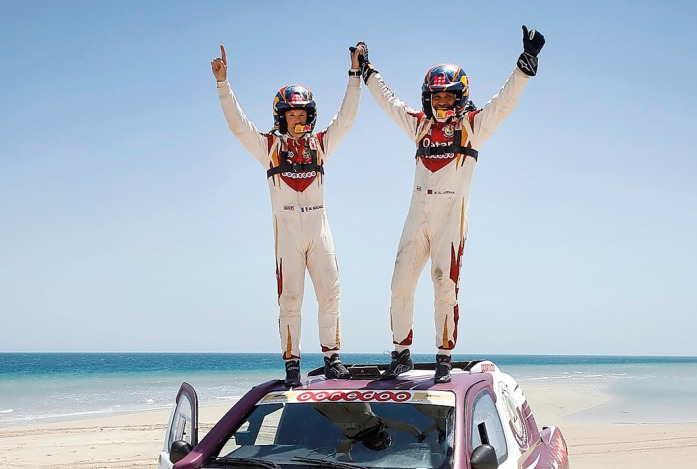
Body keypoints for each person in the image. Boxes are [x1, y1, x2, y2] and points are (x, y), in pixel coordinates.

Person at [356, 28, 545, 382]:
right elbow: (389, 102)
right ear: (428, 99)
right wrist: (367, 69)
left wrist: (525, 64)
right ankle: (401, 354)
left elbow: (503, 103)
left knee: (445, 286)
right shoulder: (419, 126)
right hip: (416, 218)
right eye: (436, 98)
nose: (442, 104)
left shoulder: (472, 127)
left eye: (448, 98)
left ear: (461, 99)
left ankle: (444, 358)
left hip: (450, 220)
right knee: (399, 285)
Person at [212, 45, 365, 387]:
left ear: (311, 115)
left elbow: (347, 118)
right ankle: (292, 364)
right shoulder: (269, 148)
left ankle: (332, 358)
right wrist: (224, 84)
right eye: (291, 114)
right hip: (288, 234)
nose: (297, 119)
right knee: (290, 299)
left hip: (319, 228)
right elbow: (239, 127)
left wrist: (354, 76)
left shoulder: (322, 144)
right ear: (280, 117)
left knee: (331, 293)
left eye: (303, 113)